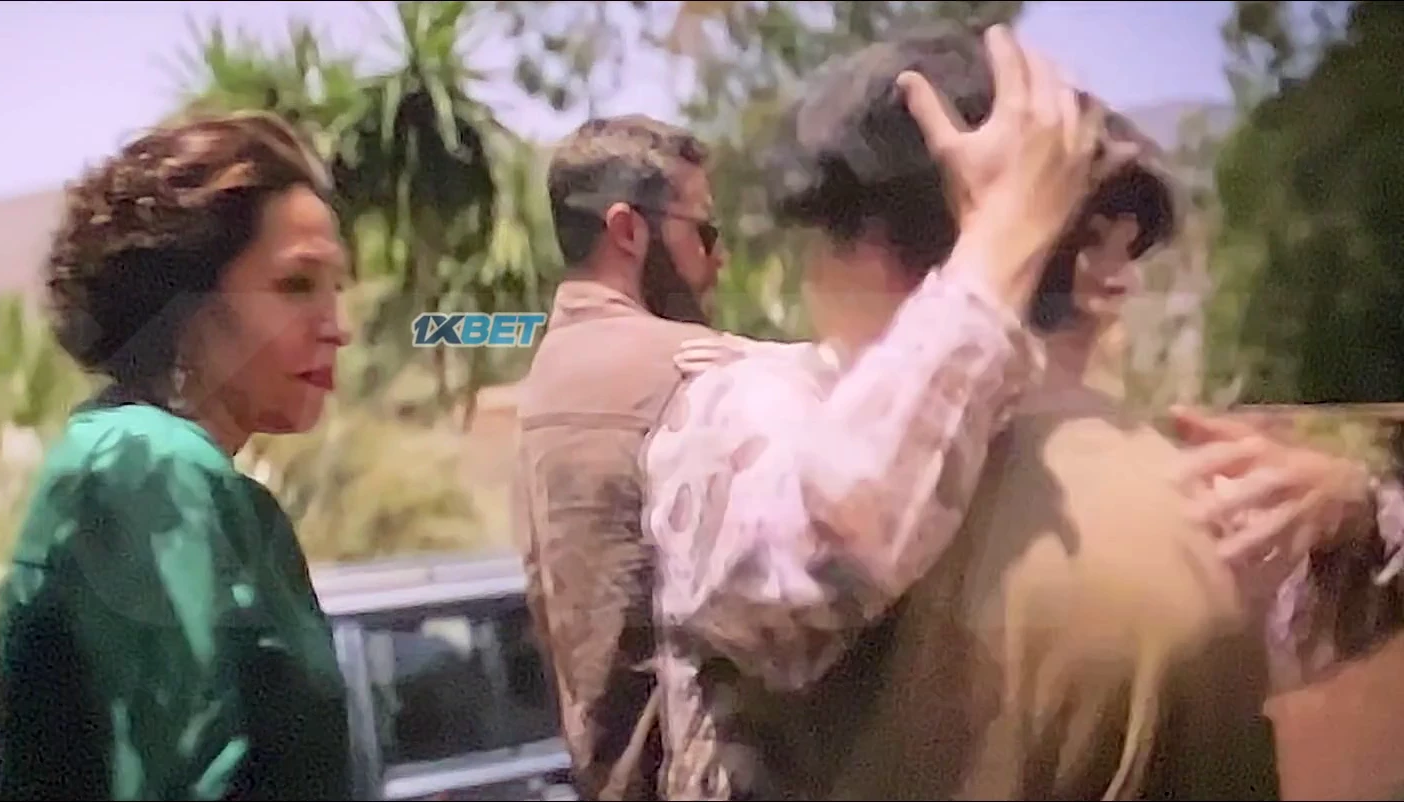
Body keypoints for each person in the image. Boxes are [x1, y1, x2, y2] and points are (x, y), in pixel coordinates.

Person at [645, 25, 1404, 801]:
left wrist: (1358, 518)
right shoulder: (757, 410)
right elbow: (801, 586)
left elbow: (1287, 639)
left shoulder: (1104, 468)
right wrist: (1003, 244)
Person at [0, 111, 355, 801]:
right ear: (186, 302)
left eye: (338, 288)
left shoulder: (194, 479)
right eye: (297, 286)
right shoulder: (143, 467)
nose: (339, 327)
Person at [509, 114, 724, 800]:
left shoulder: (546, 378)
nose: (718, 260)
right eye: (704, 233)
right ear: (628, 230)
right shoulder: (696, 371)